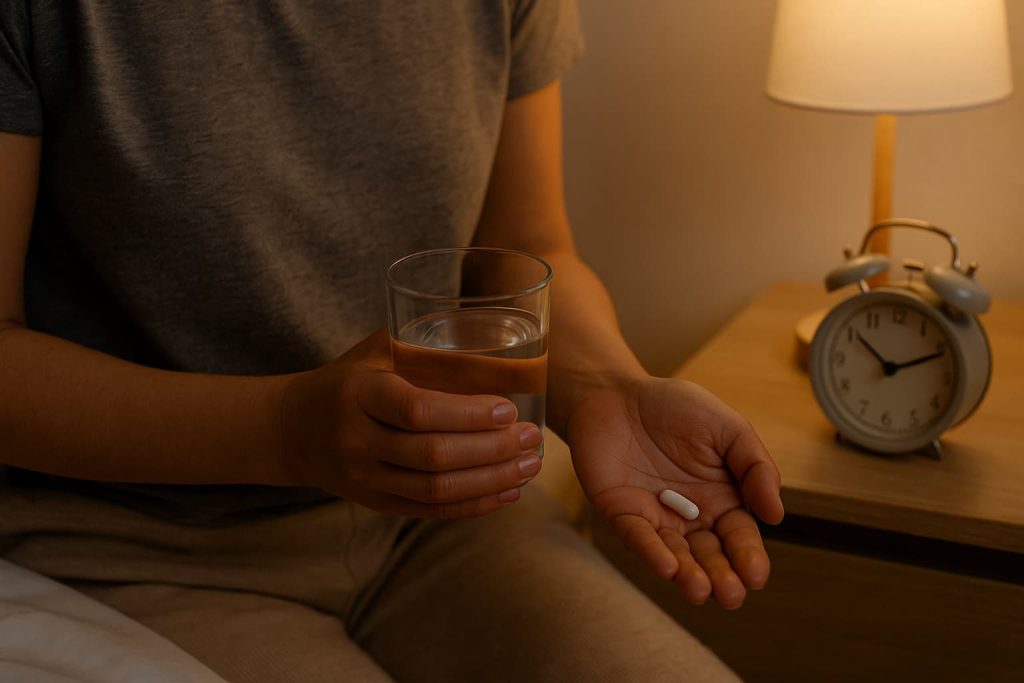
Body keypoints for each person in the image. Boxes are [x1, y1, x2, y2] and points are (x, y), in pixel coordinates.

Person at [0, 1, 783, 681]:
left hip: (435, 524)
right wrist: (287, 430)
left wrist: (607, 387)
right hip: (135, 550)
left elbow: (524, 246)